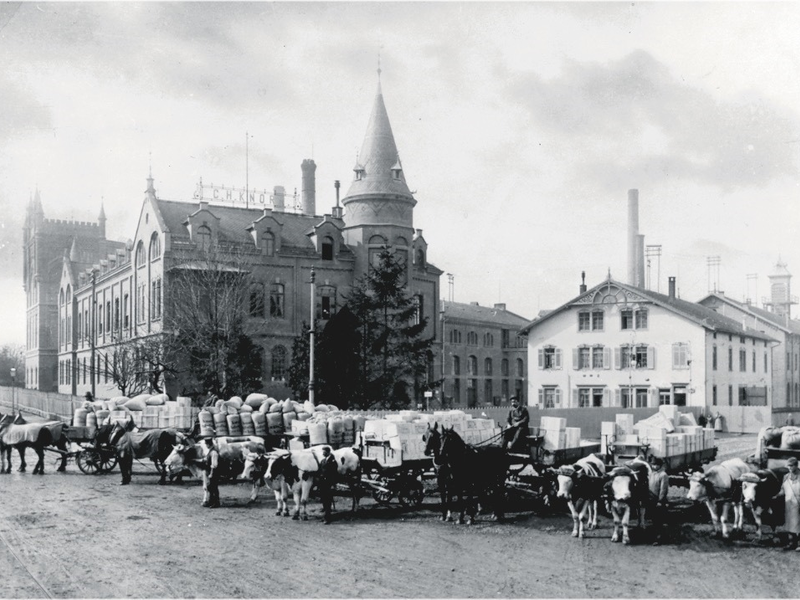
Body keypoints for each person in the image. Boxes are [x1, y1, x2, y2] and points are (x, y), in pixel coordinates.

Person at [776, 456, 800, 550]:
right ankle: (792, 543)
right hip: (789, 503)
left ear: (796, 466)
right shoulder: (786, 476)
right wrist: (776, 496)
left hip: (799, 503)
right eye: (788, 467)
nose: (789, 468)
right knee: (790, 523)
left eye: (791, 466)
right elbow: (783, 490)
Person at [648, 457, 670, 545]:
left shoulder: (663, 475)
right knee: (653, 519)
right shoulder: (652, 474)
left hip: (658, 500)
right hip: (651, 499)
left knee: (658, 520)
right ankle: (654, 537)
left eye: (656, 465)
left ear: (660, 465)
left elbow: (663, 489)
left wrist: (660, 501)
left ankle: (659, 538)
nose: (654, 466)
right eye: (653, 465)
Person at [317, 446, 339, 524]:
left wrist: (333, 484)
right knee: (324, 500)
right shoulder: (323, 461)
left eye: (324, 452)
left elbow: (334, 474)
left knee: (328, 501)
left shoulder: (333, 462)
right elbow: (319, 472)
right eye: (322, 452)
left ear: (328, 452)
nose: (323, 453)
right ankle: (325, 516)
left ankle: (328, 518)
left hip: (328, 483)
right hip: (322, 484)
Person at [202, 437, 221, 508]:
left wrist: (211, 474)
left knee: (214, 487)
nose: (206, 445)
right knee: (210, 487)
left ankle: (216, 502)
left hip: (214, 472)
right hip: (210, 472)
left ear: (209, 444)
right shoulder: (210, 451)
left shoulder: (213, 452)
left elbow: (214, 465)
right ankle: (211, 501)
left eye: (206, 444)